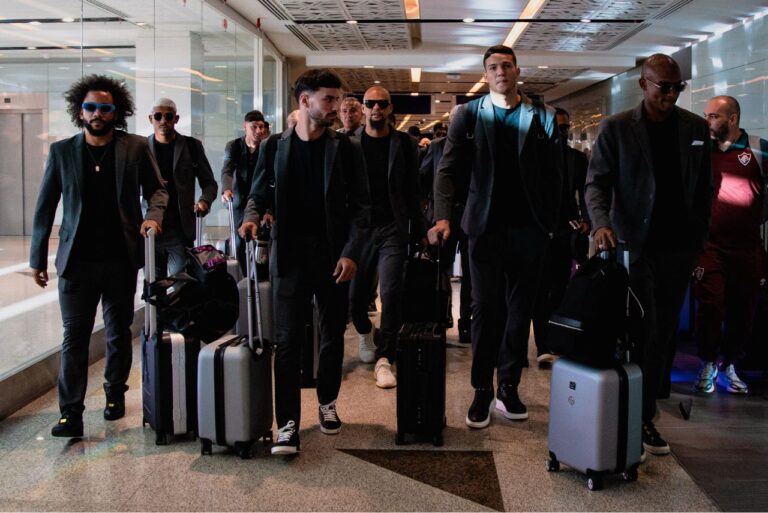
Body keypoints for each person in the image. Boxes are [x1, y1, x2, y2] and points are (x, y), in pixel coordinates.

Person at [429, 44, 563, 429]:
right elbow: (448, 170)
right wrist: (442, 216)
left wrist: (550, 224)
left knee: (520, 312)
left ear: (518, 70)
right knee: (486, 310)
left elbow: (557, 176)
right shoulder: (469, 115)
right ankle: (481, 390)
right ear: (486, 75)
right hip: (484, 228)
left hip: (529, 229)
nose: (501, 71)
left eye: (506, 65)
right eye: (493, 67)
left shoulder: (542, 116)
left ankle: (508, 385)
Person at [586, 54, 713, 456]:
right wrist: (601, 223)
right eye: (664, 87)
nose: (671, 95)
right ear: (644, 84)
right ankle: (638, 416)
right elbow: (596, 185)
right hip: (634, 248)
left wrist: (700, 239)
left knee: (662, 335)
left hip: (678, 249)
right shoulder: (618, 128)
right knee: (645, 330)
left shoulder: (694, 128)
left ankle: (644, 410)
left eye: (678, 87)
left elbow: (704, 188)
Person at [239, 69, 370, 455]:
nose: (335, 106)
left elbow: (363, 209)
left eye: (336, 99)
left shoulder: (346, 149)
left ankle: (327, 401)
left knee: (331, 336)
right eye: (328, 99)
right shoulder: (275, 147)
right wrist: (250, 215)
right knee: (288, 342)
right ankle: (288, 424)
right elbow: (258, 192)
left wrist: (351, 253)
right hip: (290, 258)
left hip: (332, 259)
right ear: (304, 101)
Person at [29, 74, 167, 438]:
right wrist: (37, 258)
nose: (97, 114)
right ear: (80, 111)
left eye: (105, 108)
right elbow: (45, 208)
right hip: (76, 262)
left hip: (120, 258)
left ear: (116, 112)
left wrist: (153, 218)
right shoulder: (62, 152)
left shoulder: (135, 148)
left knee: (118, 331)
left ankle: (114, 394)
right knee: (74, 336)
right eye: (90, 107)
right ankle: (70, 413)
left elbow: (158, 192)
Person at [349, 86, 426, 385]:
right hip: (359, 230)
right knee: (355, 300)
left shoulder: (405, 144)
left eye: (382, 104)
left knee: (392, 293)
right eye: (371, 103)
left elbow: (413, 192)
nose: (376, 109)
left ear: (390, 108)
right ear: (364, 108)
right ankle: (365, 333)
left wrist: (420, 231)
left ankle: (386, 357)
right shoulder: (349, 143)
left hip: (392, 228)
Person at [693, 95, 767, 395]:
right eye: (707, 116)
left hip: (748, 247)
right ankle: (708, 361)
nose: (708, 122)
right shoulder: (702, 152)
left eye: (714, 117)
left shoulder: (759, 149)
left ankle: (730, 364)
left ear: (732, 118)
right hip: (710, 247)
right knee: (710, 304)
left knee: (744, 310)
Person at [531, 107, 590, 367]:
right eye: (558, 127)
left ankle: (555, 340)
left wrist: (587, 220)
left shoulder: (577, 159)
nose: (562, 132)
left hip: (566, 231)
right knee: (538, 289)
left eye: (566, 127)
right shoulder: (533, 157)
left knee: (559, 288)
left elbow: (587, 191)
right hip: (538, 231)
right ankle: (543, 344)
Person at [147, 98, 217, 276]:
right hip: (150, 229)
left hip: (180, 229)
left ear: (176, 119)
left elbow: (209, 183)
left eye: (168, 116)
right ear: (151, 119)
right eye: (158, 116)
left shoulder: (191, 146)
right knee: (153, 288)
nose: (163, 121)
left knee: (182, 284)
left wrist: (204, 201)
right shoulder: (141, 148)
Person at [420, 106, 471, 344]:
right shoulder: (437, 146)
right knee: (440, 270)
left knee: (471, 274)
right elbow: (423, 180)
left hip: (471, 216)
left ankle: (466, 324)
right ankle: (440, 319)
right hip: (443, 216)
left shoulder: (478, 146)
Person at [220, 110, 269, 272]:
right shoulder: (233, 146)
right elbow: (227, 170)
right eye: (254, 127)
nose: (258, 131)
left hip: (260, 200)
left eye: (261, 127)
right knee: (239, 241)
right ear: (245, 127)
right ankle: (245, 275)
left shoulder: (267, 147)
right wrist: (226, 189)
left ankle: (260, 277)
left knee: (261, 240)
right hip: (239, 200)